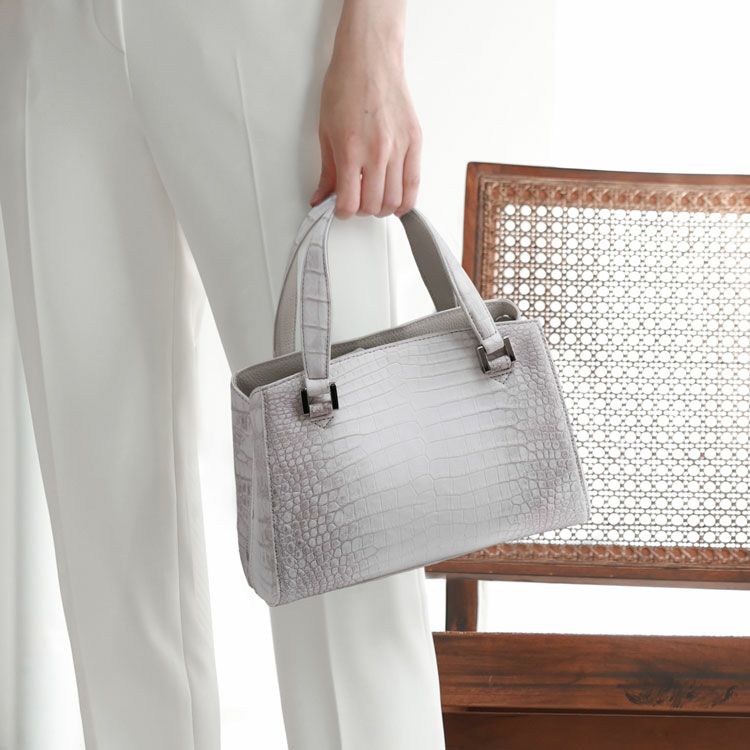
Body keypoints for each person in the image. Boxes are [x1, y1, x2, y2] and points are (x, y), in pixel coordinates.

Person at [0, 0, 446, 748]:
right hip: (48, 28)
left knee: (341, 511)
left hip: (264, 23)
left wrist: (377, 38)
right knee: (103, 504)